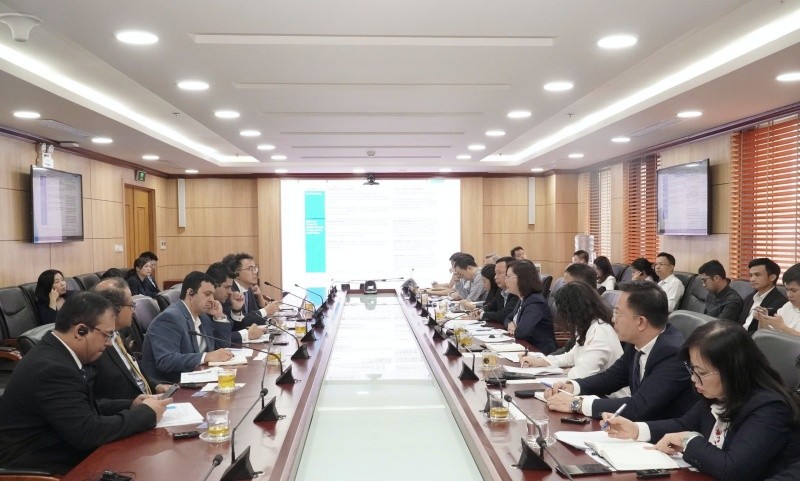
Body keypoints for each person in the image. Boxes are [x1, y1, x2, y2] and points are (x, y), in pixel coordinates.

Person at [604, 321, 800, 481]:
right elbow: (683, 424)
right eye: (692, 370)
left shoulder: (770, 408)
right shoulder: (717, 392)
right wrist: (637, 430)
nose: (693, 379)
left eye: (702, 373)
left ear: (733, 370)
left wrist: (688, 440)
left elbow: (731, 469)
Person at [0, 292, 170, 474]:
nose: (109, 344)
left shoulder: (57, 354)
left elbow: (83, 409)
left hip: (59, 449)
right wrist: (146, 414)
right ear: (81, 331)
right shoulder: (52, 369)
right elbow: (88, 433)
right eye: (107, 335)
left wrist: (132, 404)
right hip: (38, 466)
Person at [544, 281, 696, 420]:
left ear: (641, 322)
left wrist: (577, 404)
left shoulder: (672, 354)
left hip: (665, 439)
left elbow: (639, 406)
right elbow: (610, 379)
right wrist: (572, 386)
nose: (613, 318)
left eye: (618, 313)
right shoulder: (637, 343)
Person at [519, 282, 624, 384]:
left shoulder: (600, 331)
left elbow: (582, 374)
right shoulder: (587, 326)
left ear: (573, 309)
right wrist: (542, 361)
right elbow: (571, 356)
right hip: (591, 390)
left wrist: (566, 372)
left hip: (608, 397)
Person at [141, 271, 235, 383]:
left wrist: (219, 316)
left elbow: (222, 346)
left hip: (199, 378)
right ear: (190, 293)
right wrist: (205, 357)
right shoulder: (170, 318)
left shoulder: (202, 317)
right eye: (207, 294)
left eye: (212, 295)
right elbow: (165, 361)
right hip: (174, 386)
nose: (212, 299)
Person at [90, 278, 171, 399]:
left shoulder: (117, 334)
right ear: (113, 308)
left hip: (150, 402)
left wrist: (156, 386)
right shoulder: (95, 346)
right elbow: (96, 402)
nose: (133, 311)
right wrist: (135, 405)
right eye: (131, 305)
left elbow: (134, 374)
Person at [504, 260, 557, 354]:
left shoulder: (535, 302)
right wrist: (511, 324)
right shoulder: (523, 298)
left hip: (540, 352)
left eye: (508, 277)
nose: (505, 280)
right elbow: (507, 318)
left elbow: (522, 332)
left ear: (522, 279)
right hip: (525, 348)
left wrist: (514, 327)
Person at [206, 262, 266, 343]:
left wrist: (236, 310)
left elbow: (231, 330)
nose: (230, 292)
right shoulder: (204, 307)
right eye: (227, 287)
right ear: (213, 285)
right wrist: (247, 334)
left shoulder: (219, 303)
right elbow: (215, 338)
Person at [222, 252, 280, 320]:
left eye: (255, 268)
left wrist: (270, 321)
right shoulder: (230, 292)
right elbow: (240, 322)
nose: (255, 272)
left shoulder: (248, 289)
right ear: (236, 274)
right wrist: (265, 311)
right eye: (250, 269)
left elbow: (254, 315)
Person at [739, 257, 787, 332]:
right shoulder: (749, 297)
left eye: (757, 275)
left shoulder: (781, 303)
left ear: (772, 277)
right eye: (751, 275)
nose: (752, 279)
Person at [755, 263, 800, 336]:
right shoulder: (788, 306)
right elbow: (769, 335)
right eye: (787, 290)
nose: (788, 295)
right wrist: (763, 321)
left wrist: (782, 327)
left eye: (793, 291)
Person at [479, 256, 519, 324]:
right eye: (495, 273)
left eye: (499, 273)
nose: (495, 277)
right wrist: (480, 311)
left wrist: (482, 315)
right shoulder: (500, 290)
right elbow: (492, 306)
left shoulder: (516, 293)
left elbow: (505, 315)